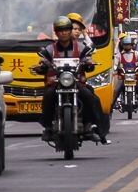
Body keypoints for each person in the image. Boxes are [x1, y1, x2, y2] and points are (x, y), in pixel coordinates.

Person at [33, 14, 109, 144]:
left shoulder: (81, 48)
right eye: (60, 30)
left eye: (66, 30)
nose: (63, 33)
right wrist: (41, 68)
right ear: (56, 33)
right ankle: (48, 127)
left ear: (70, 31)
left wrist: (89, 63)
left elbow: (88, 59)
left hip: (77, 82)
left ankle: (91, 126)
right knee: (48, 95)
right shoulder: (49, 49)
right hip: (56, 83)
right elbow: (43, 62)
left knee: (90, 96)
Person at [112, 36, 138, 118]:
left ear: (132, 45)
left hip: (135, 77)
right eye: (125, 45)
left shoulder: (136, 54)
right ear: (123, 45)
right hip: (123, 77)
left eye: (129, 45)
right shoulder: (119, 55)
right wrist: (115, 68)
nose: (127, 46)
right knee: (116, 90)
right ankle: (110, 108)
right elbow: (115, 64)